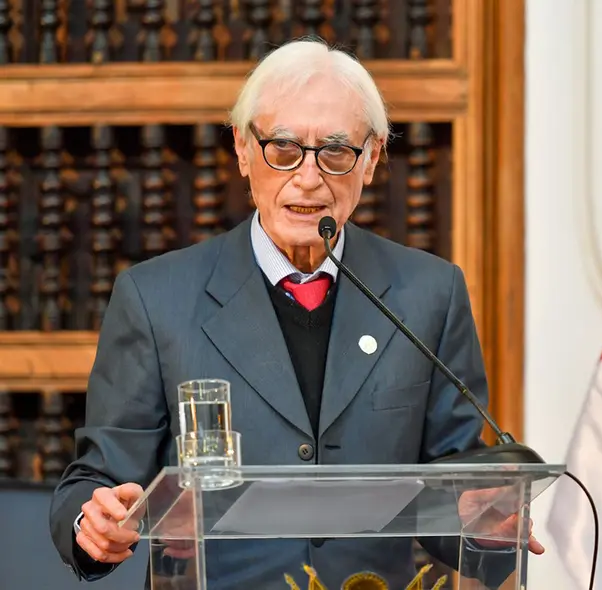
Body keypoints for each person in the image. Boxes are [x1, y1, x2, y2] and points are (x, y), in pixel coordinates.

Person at [49, 39, 541, 590]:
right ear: (241, 148)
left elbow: (455, 491)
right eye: (282, 148)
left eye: (335, 152)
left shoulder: (429, 293)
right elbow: (94, 482)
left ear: (372, 158)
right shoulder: (155, 298)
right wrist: (92, 522)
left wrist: (486, 527)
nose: (308, 178)